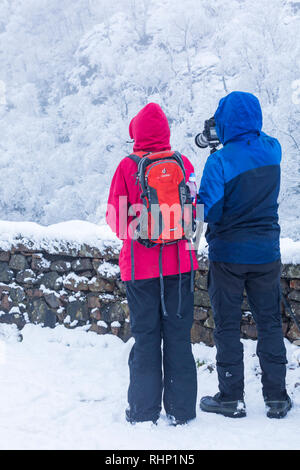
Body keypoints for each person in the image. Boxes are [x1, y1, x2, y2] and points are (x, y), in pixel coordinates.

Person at [198, 91, 292, 419]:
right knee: (268, 322)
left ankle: (231, 397)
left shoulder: (219, 161)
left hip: (228, 255)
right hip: (267, 252)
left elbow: (210, 210)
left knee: (226, 324)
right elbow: (255, 139)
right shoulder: (273, 149)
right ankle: (277, 397)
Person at [106, 103, 198, 425]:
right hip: (181, 268)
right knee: (178, 339)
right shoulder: (183, 163)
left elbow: (118, 223)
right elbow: (194, 212)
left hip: (141, 271)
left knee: (146, 340)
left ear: (137, 133)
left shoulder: (127, 167)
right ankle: (182, 411)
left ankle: (144, 413)